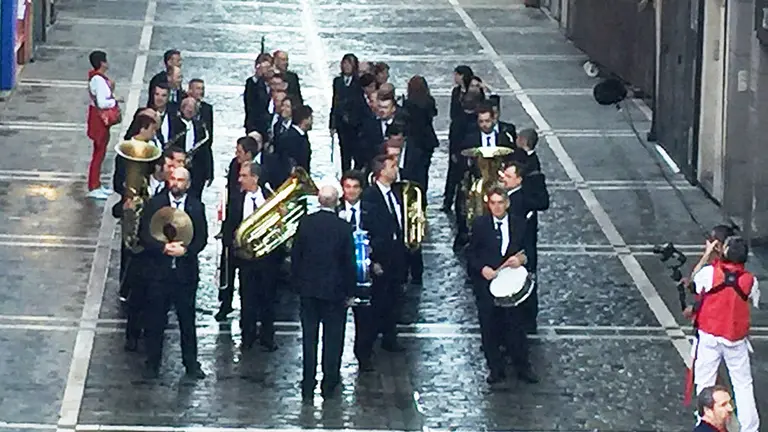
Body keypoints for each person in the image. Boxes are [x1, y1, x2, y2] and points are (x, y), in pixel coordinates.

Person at [138, 167, 207, 379]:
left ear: (187, 183)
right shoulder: (155, 204)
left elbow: (202, 238)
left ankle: (191, 363)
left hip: (185, 275)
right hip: (159, 273)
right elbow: (144, 234)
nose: (176, 183)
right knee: (155, 319)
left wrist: (186, 251)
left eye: (180, 180)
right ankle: (152, 363)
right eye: (173, 179)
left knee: (187, 320)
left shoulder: (196, 206)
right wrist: (162, 248)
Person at [467, 187, 538, 385]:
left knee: (516, 328)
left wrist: (522, 259)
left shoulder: (519, 224)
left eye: (500, 203)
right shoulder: (480, 225)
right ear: (488, 205)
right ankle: (495, 370)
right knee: (489, 329)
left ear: (507, 203)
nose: (497, 207)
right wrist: (482, 269)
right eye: (493, 203)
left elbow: (530, 250)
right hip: (487, 286)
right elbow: (471, 254)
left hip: (511, 287)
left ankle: (522, 367)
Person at [291, 185, 356, 402]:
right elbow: (349, 263)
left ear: (319, 201)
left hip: (309, 291)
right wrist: (350, 291)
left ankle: (308, 380)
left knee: (309, 338)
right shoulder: (343, 227)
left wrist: (298, 283)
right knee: (333, 338)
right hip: (334, 292)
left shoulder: (306, 223)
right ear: (337, 202)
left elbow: (296, 255)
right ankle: (330, 380)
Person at [689, 236, 760, 432]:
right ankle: (750, 428)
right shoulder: (750, 280)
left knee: (705, 381)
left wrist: (707, 254)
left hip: (709, 336)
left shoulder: (710, 273)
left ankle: (704, 420)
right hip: (735, 340)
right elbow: (754, 300)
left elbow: (694, 284)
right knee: (743, 385)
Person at [355, 155, 408, 371]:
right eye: (392, 166)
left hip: (396, 256)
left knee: (394, 299)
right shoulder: (370, 196)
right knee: (377, 304)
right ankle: (369, 347)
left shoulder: (395, 192)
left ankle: (389, 336)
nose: (396, 169)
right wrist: (374, 260)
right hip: (381, 259)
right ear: (381, 172)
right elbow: (369, 231)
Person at [223, 162, 280, 351]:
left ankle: (267, 336)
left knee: (268, 298)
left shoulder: (270, 198)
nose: (240, 179)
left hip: (267, 258)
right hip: (245, 258)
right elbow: (230, 226)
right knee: (247, 298)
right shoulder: (236, 199)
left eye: (244, 176)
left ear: (255, 178)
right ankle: (247, 336)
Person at [86, 50, 120, 199]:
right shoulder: (98, 80)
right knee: (98, 154)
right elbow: (102, 102)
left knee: (100, 153)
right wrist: (115, 101)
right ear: (102, 63)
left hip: (97, 119)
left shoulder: (97, 79)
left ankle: (97, 184)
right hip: (99, 120)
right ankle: (94, 185)